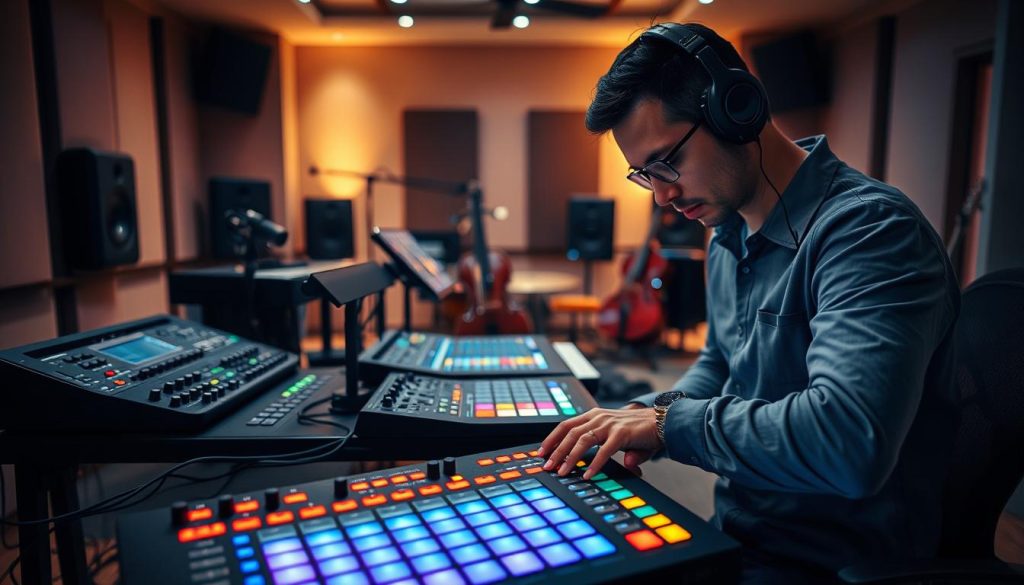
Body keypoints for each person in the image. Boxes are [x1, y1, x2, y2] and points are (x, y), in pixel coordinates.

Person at [539, 22, 960, 583]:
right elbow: (721, 361)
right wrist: (645, 412)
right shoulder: (727, 235)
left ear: (736, 111)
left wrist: (670, 426)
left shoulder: (869, 232)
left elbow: (847, 441)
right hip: (744, 532)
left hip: (831, 561)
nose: (663, 195)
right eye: (645, 175)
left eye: (667, 163)